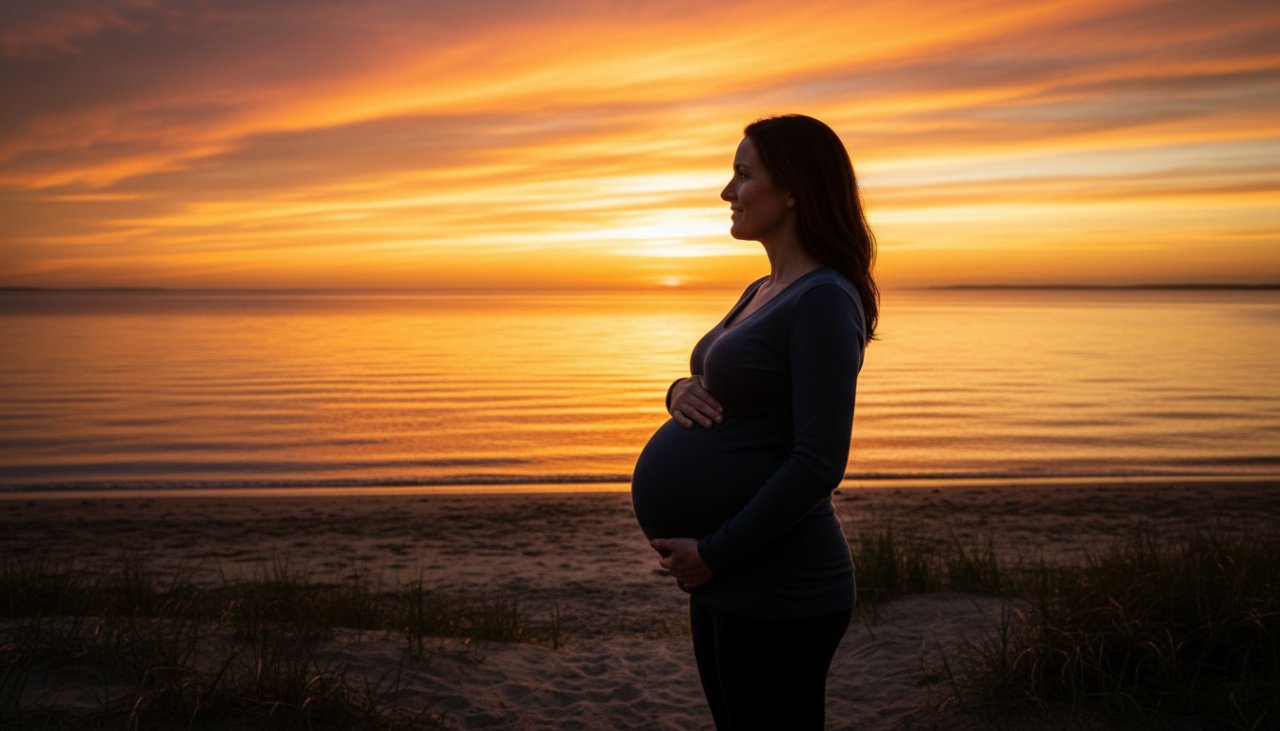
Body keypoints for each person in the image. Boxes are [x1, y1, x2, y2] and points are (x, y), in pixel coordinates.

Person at [630, 114, 879, 730]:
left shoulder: (824, 298)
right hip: (727, 576)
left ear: (792, 189)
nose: (726, 191)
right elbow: (717, 383)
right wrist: (677, 391)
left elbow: (820, 462)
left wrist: (714, 552)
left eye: (743, 174)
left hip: (780, 585)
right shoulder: (762, 287)